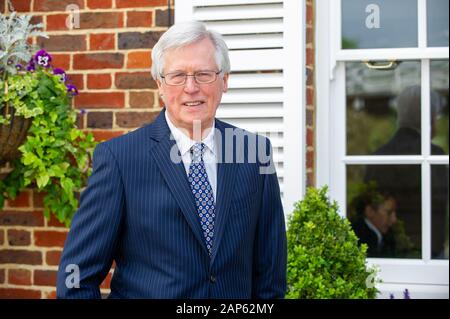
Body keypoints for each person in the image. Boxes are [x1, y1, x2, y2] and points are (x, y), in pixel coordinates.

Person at [56, 21, 287, 299]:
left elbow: (270, 273)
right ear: (160, 85)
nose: (191, 88)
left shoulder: (254, 152)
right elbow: (76, 277)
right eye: (177, 76)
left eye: (203, 74)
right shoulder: (119, 159)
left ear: (224, 80)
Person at [365, 86, 449, 258]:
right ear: (429, 118)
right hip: (428, 250)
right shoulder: (435, 156)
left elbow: (368, 203)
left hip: (386, 251)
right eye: (435, 116)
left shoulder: (379, 155)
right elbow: (442, 200)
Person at [351, 184, 398, 257]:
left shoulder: (387, 237)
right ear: (370, 211)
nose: (394, 219)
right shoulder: (356, 238)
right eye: (389, 213)